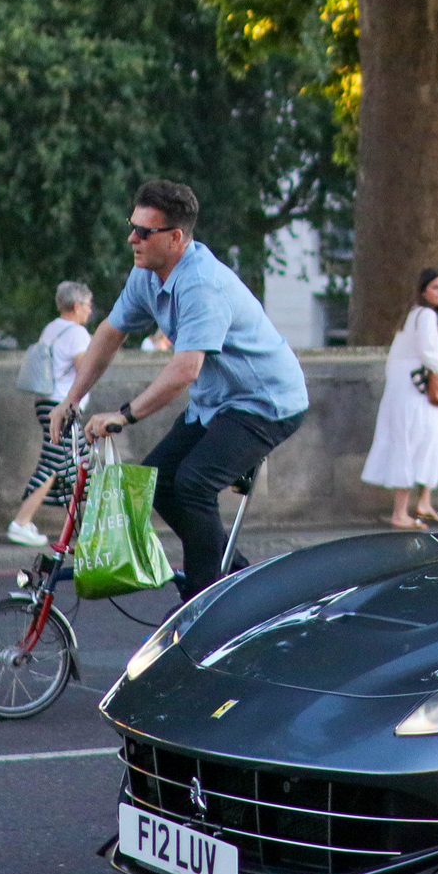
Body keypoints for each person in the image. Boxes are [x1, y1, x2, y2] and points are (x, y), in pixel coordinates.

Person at [52, 179, 310, 596]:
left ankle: (204, 603)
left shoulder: (201, 285)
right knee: (158, 481)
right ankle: (236, 577)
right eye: (131, 226)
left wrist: (126, 414)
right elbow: (109, 333)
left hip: (266, 402)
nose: (131, 238)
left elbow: (185, 369)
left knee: (193, 484)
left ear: (175, 238)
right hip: (218, 402)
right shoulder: (146, 275)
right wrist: (71, 398)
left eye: (143, 232)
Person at [362, 266, 438, 528]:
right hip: (415, 393)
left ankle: (423, 502)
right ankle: (400, 512)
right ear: (424, 291)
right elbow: (428, 354)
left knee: (426, 441)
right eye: (436, 288)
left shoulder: (412, 316)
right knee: (415, 442)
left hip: (405, 390)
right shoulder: (426, 316)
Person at [6, 281, 97, 547]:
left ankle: (89, 525)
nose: (90, 312)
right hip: (63, 405)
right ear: (77, 306)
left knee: (80, 463)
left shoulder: (52, 328)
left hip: (46, 401)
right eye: (89, 306)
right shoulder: (77, 334)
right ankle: (21, 523)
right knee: (54, 462)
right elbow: (85, 370)